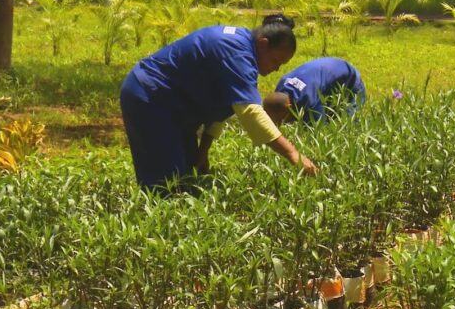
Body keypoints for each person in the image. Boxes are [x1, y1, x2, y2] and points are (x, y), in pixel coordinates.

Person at [119, 14, 317, 189]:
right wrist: (293, 154)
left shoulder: (243, 52)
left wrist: (203, 150)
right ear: (263, 44)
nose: (276, 70)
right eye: (276, 61)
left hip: (175, 107)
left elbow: (223, 107)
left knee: (190, 175)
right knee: (167, 185)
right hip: (151, 97)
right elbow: (250, 113)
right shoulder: (235, 51)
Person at [263, 57, 366, 126]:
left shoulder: (309, 99)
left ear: (289, 107)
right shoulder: (281, 87)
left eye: (280, 120)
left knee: (347, 124)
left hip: (350, 80)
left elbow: (318, 129)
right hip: (328, 73)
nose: (278, 123)